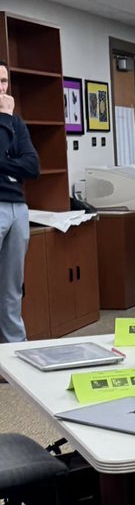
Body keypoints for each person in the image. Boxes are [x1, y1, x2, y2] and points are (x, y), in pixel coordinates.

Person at [0, 59, 39, 343]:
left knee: (12, 286)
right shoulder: (8, 119)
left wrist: (7, 163)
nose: (0, 88)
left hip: (17, 207)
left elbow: (32, 166)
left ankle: (12, 349)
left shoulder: (16, 121)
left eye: (3, 82)